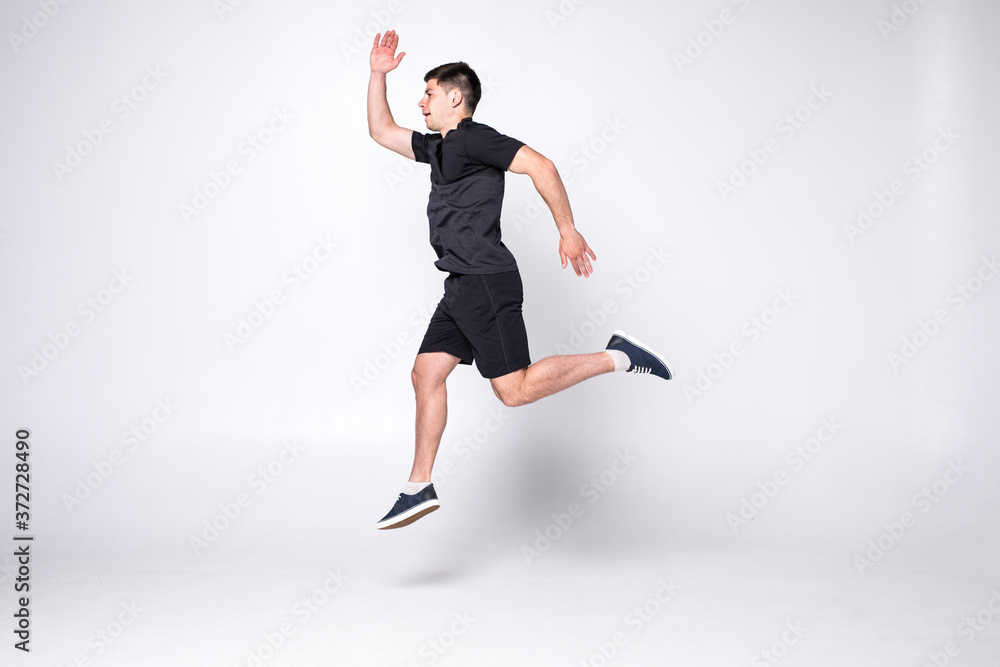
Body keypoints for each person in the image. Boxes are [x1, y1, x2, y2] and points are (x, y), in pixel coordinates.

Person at [367, 30, 672, 529]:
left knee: (515, 390)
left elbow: (541, 165)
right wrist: (378, 73)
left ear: (455, 97)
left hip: (485, 280)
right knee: (426, 373)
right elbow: (381, 130)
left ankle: (620, 356)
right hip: (460, 284)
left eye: (428, 93)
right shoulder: (440, 148)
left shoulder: (474, 137)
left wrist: (567, 230)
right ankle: (418, 485)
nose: (420, 102)